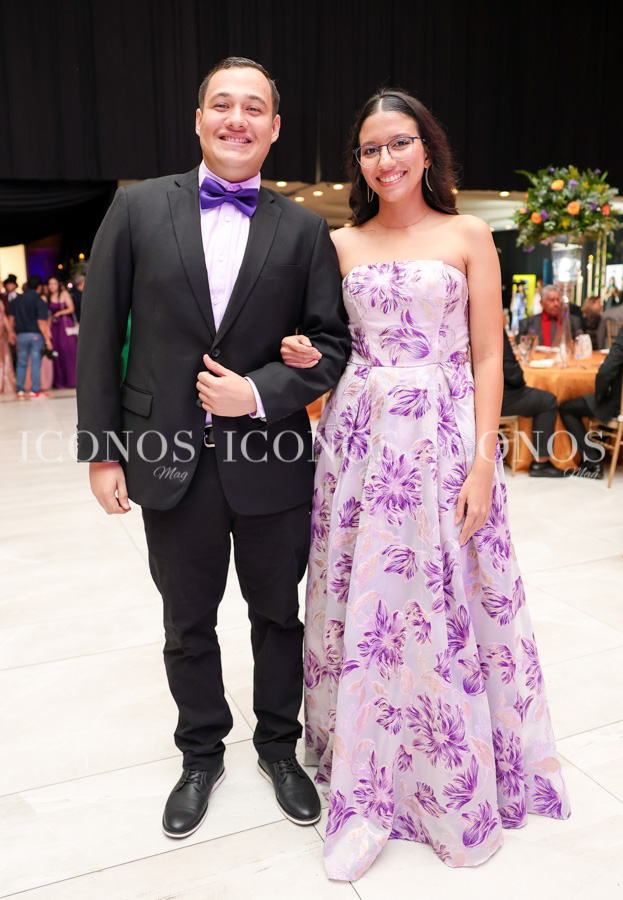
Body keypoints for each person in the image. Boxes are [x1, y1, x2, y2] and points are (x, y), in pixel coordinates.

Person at [281, 88, 569, 879]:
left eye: (399, 142)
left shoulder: (467, 233)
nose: (386, 159)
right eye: (371, 148)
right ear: (358, 162)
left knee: (443, 598)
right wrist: (306, 355)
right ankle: (366, 779)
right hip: (359, 439)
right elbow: (331, 346)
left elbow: (486, 355)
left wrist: (482, 461)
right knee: (369, 599)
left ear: (426, 148)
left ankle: (450, 772)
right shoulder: (338, 243)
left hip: (443, 438)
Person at [76, 58, 351, 840]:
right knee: (186, 621)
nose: (237, 119)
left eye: (253, 107)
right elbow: (101, 333)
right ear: (198, 119)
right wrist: (101, 450)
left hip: (271, 459)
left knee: (278, 617)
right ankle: (200, 755)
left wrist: (259, 391)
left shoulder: (303, 229)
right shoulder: (136, 208)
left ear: (274, 126)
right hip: (166, 455)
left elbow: (331, 346)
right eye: (222, 105)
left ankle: (278, 747)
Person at [559, 325, 623, 479]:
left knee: (566, 408)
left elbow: (605, 372)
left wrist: (600, 395)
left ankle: (592, 461)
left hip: (618, 405)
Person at [500, 330, 563, 476]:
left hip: (468, 397)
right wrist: (520, 379)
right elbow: (511, 372)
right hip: (497, 398)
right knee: (547, 401)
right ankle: (541, 462)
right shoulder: (492, 327)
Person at [8, 274, 52, 398]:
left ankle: (20, 390)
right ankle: (35, 390)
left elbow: (11, 318)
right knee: (35, 363)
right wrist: (48, 340)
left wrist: (11, 333)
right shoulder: (39, 300)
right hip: (35, 335)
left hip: (21, 335)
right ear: (39, 287)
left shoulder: (17, 299)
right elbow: (41, 322)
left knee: (21, 363)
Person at [47, 276, 78, 388]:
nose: (52, 286)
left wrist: (59, 313)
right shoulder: (49, 296)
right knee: (57, 352)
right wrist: (48, 329)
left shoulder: (64, 294)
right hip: (55, 327)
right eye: (50, 284)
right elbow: (49, 315)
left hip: (65, 325)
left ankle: (72, 380)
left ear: (58, 285)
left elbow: (71, 308)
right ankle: (60, 381)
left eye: (54, 284)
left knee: (68, 351)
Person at [0, 301, 16, 394]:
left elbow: (4, 316)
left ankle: (4, 383)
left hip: (1, 333)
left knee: (3, 356)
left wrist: (10, 332)